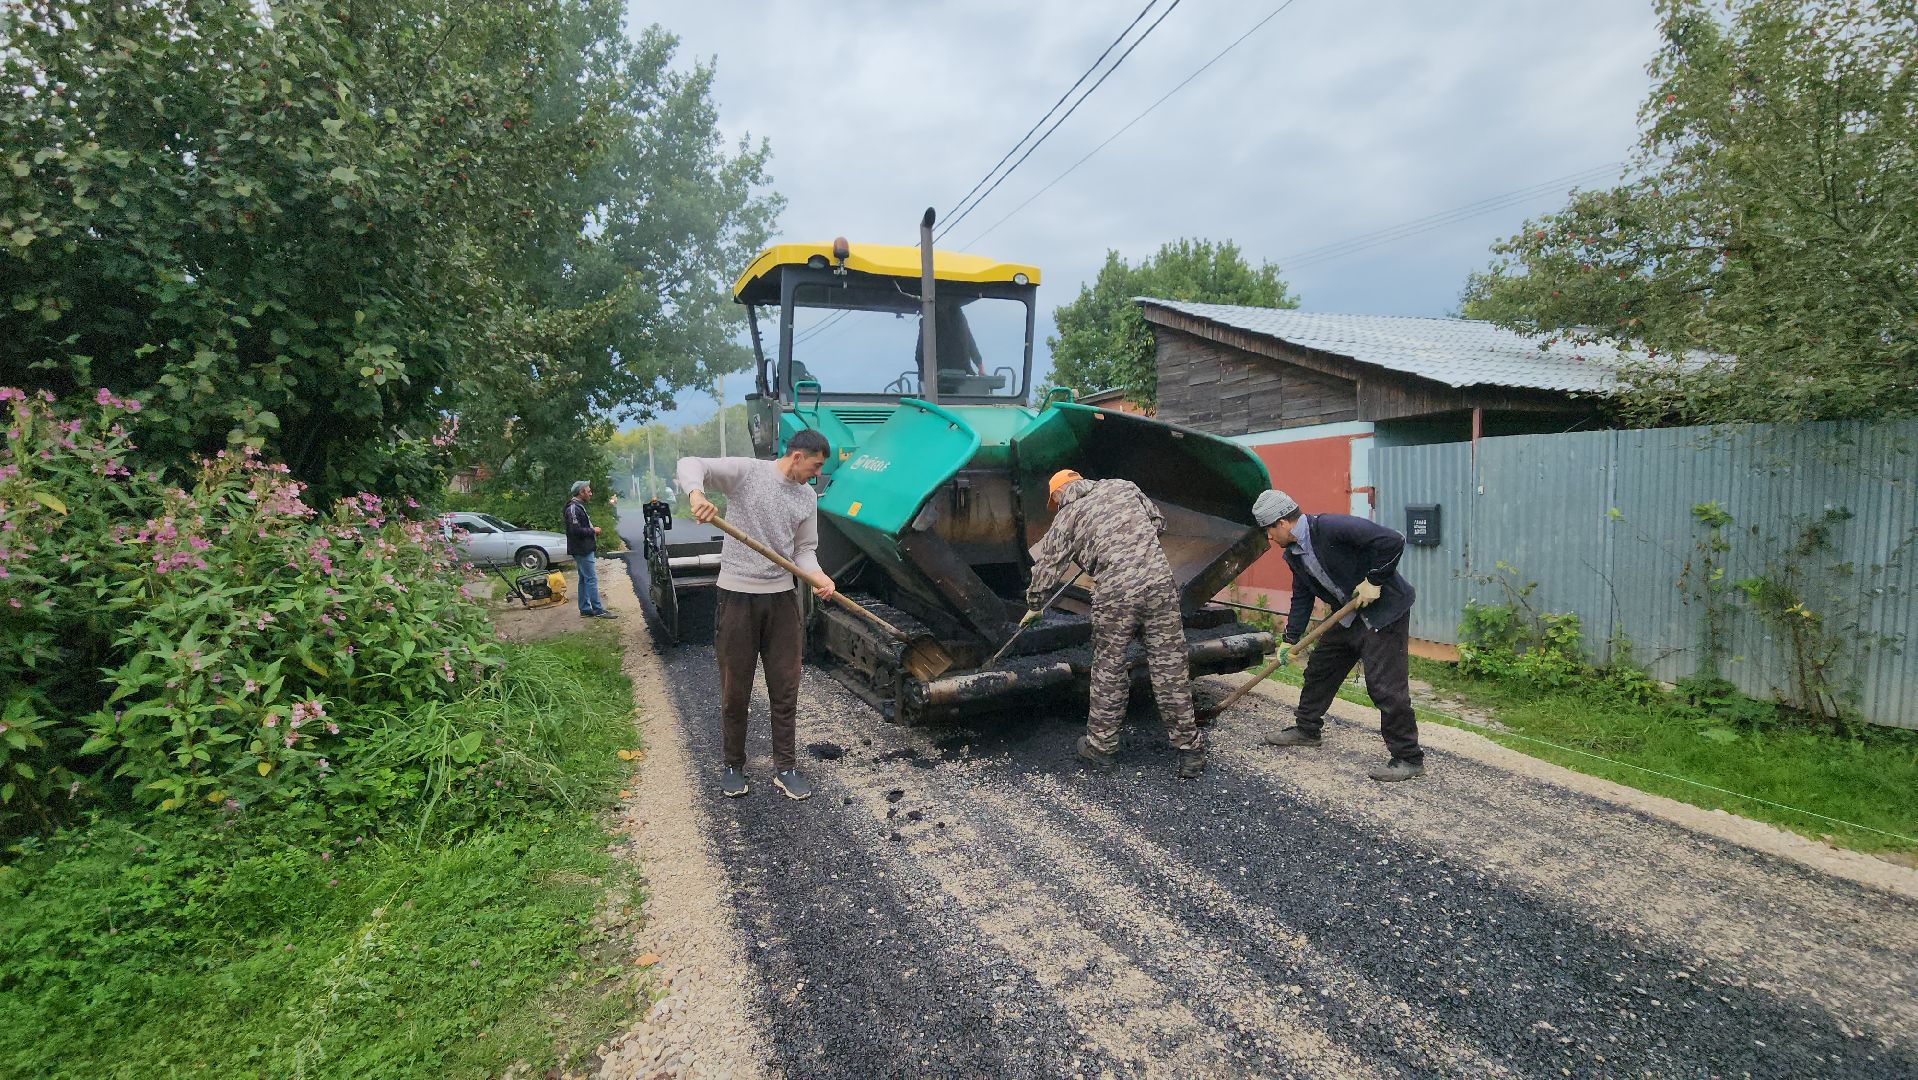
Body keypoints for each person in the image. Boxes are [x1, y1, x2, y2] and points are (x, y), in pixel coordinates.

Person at [677, 430, 837, 801]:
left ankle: (786, 767)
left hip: (781, 601)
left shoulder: (807, 497)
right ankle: (733, 765)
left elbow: (805, 551)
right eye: (814, 466)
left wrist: (819, 577)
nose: (815, 475)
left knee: (785, 689)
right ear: (797, 456)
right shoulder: (748, 473)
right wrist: (697, 494)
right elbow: (690, 464)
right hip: (736, 597)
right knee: (736, 690)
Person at [1026, 469, 1205, 780]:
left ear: (1057, 494)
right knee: (1170, 668)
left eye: (1054, 499)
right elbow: (1158, 523)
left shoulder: (1065, 518)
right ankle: (1190, 752)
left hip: (1116, 593)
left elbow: (1047, 569)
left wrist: (1034, 604)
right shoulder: (1123, 486)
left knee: (1109, 668)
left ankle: (1101, 749)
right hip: (1159, 584)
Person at [1253, 489, 1424, 781]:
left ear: (1282, 523)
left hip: (1383, 613)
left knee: (1384, 686)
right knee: (1320, 670)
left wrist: (1374, 580)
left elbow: (1392, 540)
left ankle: (1408, 758)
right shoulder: (1294, 554)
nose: (1270, 539)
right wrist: (1290, 639)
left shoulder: (1331, 527)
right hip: (1346, 616)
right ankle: (1307, 730)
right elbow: (1302, 597)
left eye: (1269, 531)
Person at [564, 480, 615, 620]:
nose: (591, 493)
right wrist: (593, 530)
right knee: (591, 579)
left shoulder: (578, 507)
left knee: (583, 579)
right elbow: (575, 530)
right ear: (581, 492)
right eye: (588, 491)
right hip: (582, 549)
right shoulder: (573, 508)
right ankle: (598, 610)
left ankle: (585, 609)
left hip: (582, 548)